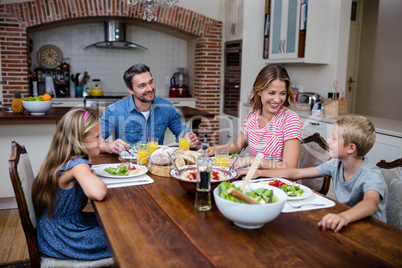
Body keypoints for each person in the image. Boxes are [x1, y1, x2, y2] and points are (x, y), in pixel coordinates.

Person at [237, 115, 388, 232]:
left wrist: (343, 216)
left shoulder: (371, 175)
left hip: (372, 232)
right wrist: (259, 172)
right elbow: (295, 173)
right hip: (346, 224)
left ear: (351, 148)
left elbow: (371, 204)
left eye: (334, 138)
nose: (328, 140)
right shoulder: (336, 165)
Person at [32, 108, 111, 260]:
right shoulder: (77, 164)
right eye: (97, 136)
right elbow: (98, 192)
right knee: (122, 236)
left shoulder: (65, 157)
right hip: (63, 236)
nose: (101, 140)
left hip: (55, 228)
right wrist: (93, 176)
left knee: (114, 224)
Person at [203, 64, 302, 170]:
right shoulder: (252, 115)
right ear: (259, 91)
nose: (277, 100)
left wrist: (251, 161)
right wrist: (214, 149)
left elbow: (289, 167)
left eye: (282, 93)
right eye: (271, 93)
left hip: (279, 184)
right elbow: (237, 146)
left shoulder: (291, 119)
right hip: (255, 179)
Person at [100, 63, 199, 154]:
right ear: (130, 90)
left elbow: (183, 133)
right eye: (142, 86)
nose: (150, 88)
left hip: (156, 163)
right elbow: (94, 142)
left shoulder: (166, 107)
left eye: (151, 82)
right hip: (129, 166)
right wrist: (109, 146)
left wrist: (190, 139)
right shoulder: (114, 110)